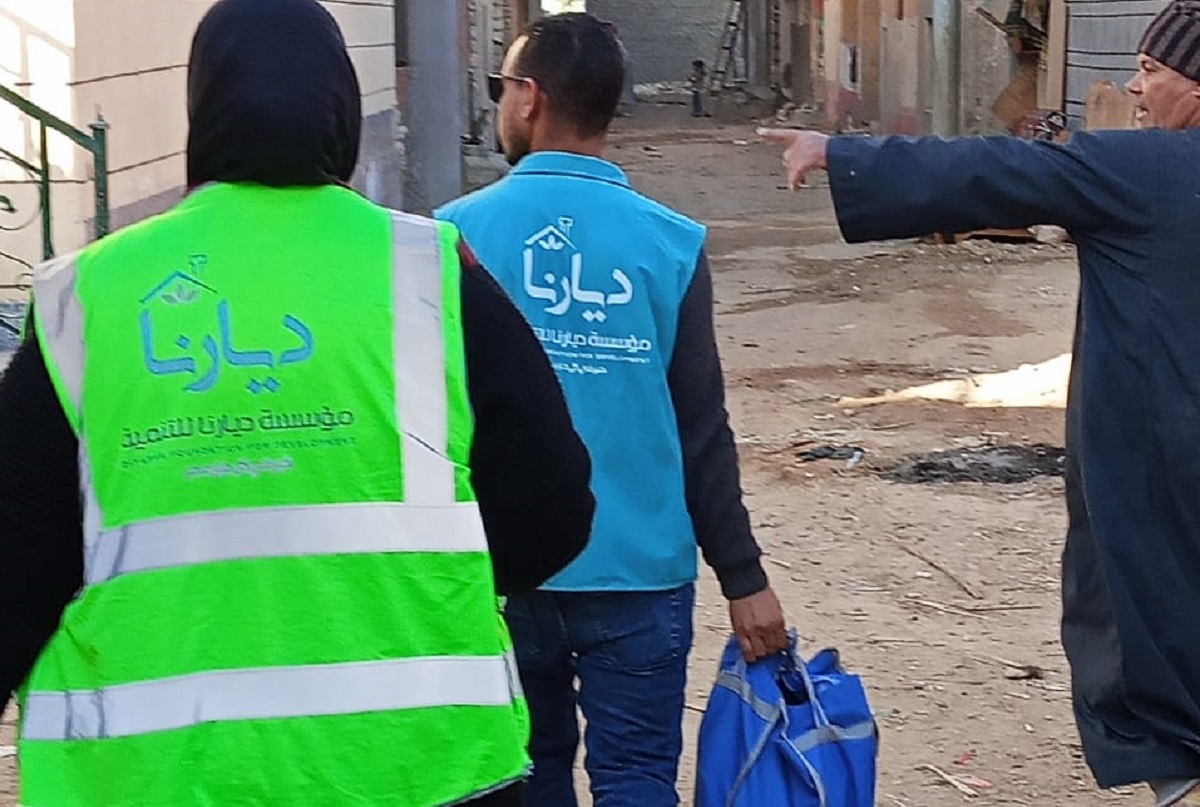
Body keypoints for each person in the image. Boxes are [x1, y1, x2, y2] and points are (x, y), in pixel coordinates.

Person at [0, 1, 595, 805]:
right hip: (420, 769)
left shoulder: (93, 297)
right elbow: (554, 510)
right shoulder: (429, 275)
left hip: (149, 778)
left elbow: (15, 563)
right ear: (341, 113)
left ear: (200, 113)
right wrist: (433, 579)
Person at [761, 2, 1200, 804]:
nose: (1135, 88)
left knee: (1142, 610)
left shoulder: (1147, 170)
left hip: (1157, 454)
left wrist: (840, 152)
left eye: (1152, 71)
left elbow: (993, 170)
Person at [438, 13, 789, 806]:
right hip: (640, 575)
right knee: (636, 780)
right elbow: (700, 427)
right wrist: (743, 578)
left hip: (501, 574)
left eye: (501, 88)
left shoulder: (451, 237)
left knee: (528, 777)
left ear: (529, 98)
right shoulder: (671, 244)